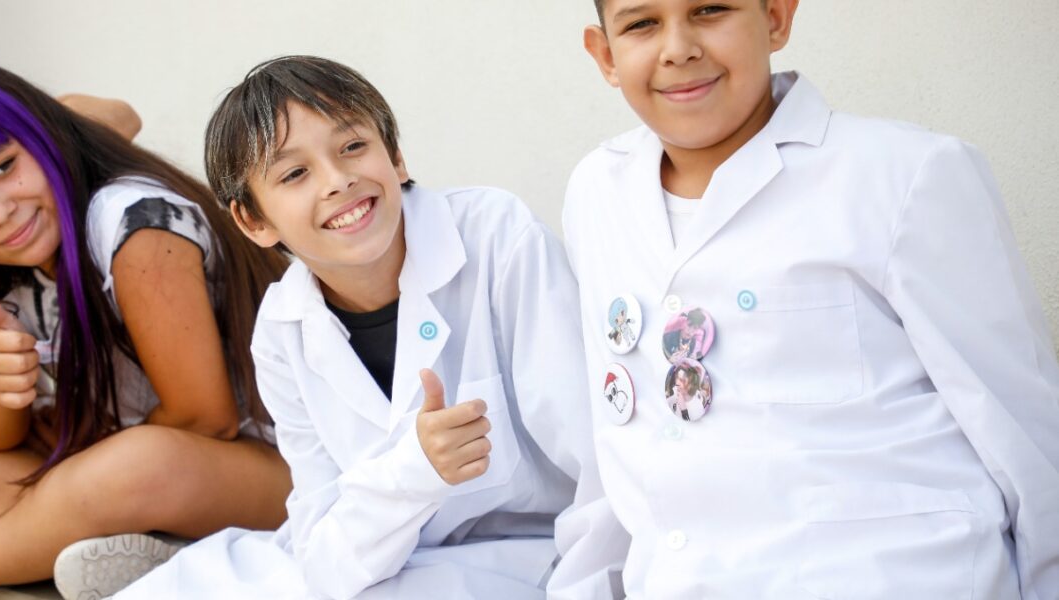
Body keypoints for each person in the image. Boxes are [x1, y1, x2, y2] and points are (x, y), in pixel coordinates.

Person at [556, 0, 1059, 597]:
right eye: (642, 23)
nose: (678, 48)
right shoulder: (598, 193)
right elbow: (617, 440)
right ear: (606, 56)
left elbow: (1026, 438)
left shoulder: (903, 175)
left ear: (776, 17)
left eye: (710, 9)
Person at [116, 55, 627, 600]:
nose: (338, 181)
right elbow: (326, 557)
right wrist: (414, 470)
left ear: (397, 156)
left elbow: (604, 461)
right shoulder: (283, 327)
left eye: (353, 146)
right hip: (379, 559)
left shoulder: (498, 238)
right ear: (254, 220)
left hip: (533, 555)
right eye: (294, 174)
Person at [0, 60, 293, 599]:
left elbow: (206, 420)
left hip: (278, 472)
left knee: (138, 465)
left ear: (44, 133)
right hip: (128, 475)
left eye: (2, 167)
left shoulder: (133, 223)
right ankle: (109, 546)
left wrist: (84, 458)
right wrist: (0, 388)